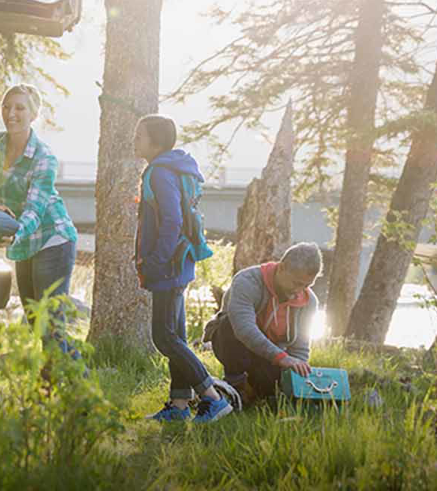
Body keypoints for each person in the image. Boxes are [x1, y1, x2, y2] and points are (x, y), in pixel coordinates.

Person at [0, 84, 81, 358]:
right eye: (7, 106)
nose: (11, 114)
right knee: (35, 321)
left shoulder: (44, 158)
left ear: (33, 114)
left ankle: (63, 390)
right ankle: (75, 382)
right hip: (25, 239)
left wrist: (15, 233)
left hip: (52, 238)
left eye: (19, 108)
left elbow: (35, 209)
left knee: (50, 324)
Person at [133, 114, 231, 423]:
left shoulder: (160, 173)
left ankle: (212, 396)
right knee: (174, 335)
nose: (135, 140)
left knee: (163, 338)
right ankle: (178, 404)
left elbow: (173, 220)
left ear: (156, 142)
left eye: (140, 135)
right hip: (178, 262)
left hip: (168, 265)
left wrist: (157, 260)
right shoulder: (171, 168)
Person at [210, 242, 323, 406]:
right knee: (227, 325)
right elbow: (244, 330)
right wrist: (281, 358)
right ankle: (235, 385)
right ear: (282, 268)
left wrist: (296, 374)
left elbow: (300, 346)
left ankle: (253, 391)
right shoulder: (247, 281)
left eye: (306, 285)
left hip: (271, 354)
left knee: (272, 393)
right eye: (296, 283)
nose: (299, 291)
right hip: (236, 344)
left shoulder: (309, 300)